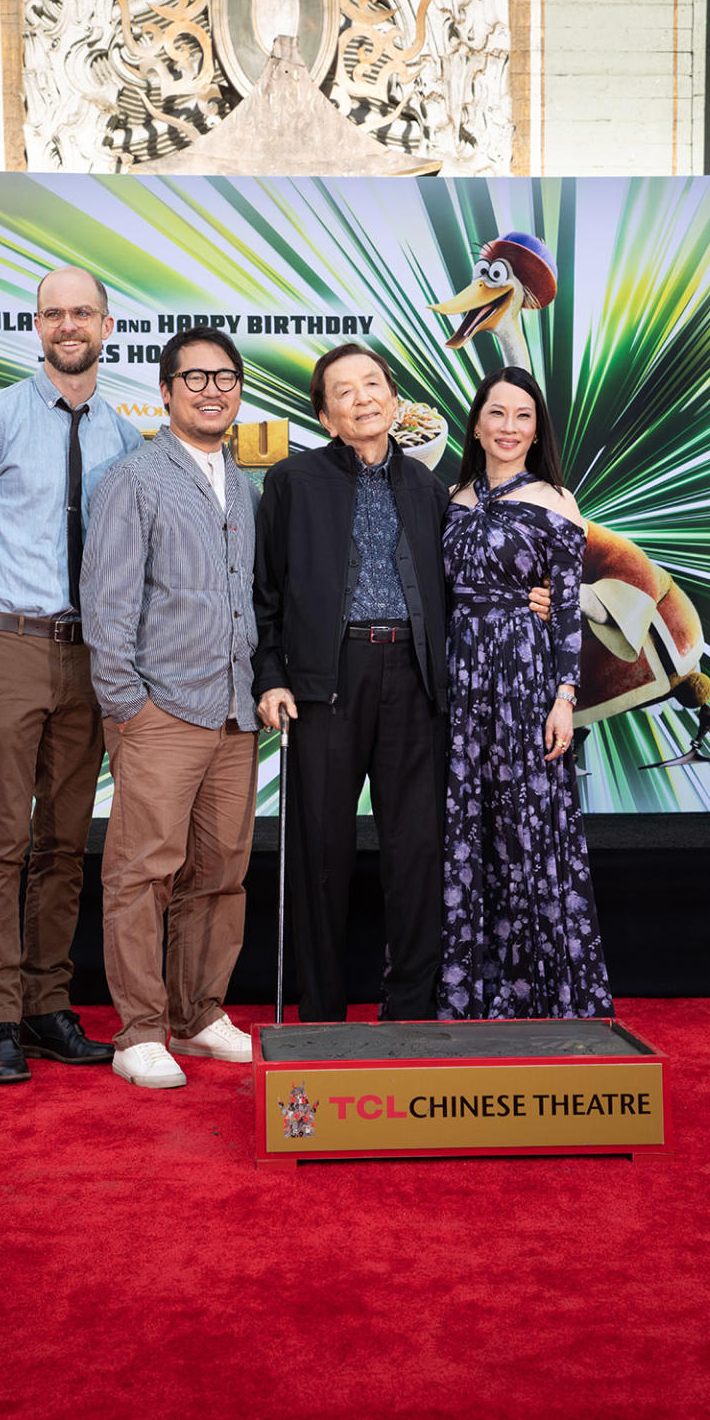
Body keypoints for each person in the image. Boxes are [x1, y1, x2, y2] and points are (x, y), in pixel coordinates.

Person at [253, 344, 548, 1022]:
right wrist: (270, 677)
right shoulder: (293, 483)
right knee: (320, 856)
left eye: (374, 385)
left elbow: (467, 581)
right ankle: (322, 1015)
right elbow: (264, 592)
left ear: (395, 399)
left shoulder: (426, 487)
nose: (363, 398)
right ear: (327, 416)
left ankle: (410, 1011)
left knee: (417, 852)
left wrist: (528, 597)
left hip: (415, 682)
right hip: (326, 685)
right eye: (344, 391)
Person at [0, 266, 142, 1083]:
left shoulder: (122, 433)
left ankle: (50, 1006)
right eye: (53, 313)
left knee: (63, 842)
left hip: (89, 657)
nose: (68, 324)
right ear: (37, 326)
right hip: (10, 645)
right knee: (0, 841)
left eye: (82, 311)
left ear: (106, 324)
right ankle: (0, 1020)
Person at [80, 327, 259, 1088]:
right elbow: (107, 603)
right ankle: (139, 1031)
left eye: (224, 378)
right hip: (161, 713)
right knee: (141, 872)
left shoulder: (244, 484)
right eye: (195, 378)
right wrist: (129, 707)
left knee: (220, 872)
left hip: (233, 713)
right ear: (165, 390)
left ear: (239, 391)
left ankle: (200, 1013)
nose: (211, 390)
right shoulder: (136, 478)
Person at [436, 366, 613, 1020]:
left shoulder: (556, 500)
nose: (509, 428)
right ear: (477, 422)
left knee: (528, 830)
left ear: (537, 431)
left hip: (524, 679)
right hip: (459, 681)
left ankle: (545, 994)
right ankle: (472, 992)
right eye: (498, 414)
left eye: (523, 417)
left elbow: (566, 609)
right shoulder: (448, 498)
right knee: (467, 830)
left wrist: (563, 697)